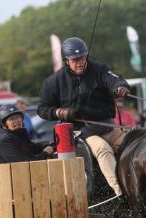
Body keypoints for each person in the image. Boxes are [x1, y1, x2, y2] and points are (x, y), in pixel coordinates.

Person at [37, 37, 130, 197]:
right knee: (103, 149)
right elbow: (42, 109)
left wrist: (120, 87)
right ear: (67, 61)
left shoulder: (100, 69)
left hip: (108, 128)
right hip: (81, 133)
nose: (80, 62)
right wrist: (61, 112)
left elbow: (114, 80)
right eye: (75, 60)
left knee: (132, 143)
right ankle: (121, 191)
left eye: (82, 58)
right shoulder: (53, 82)